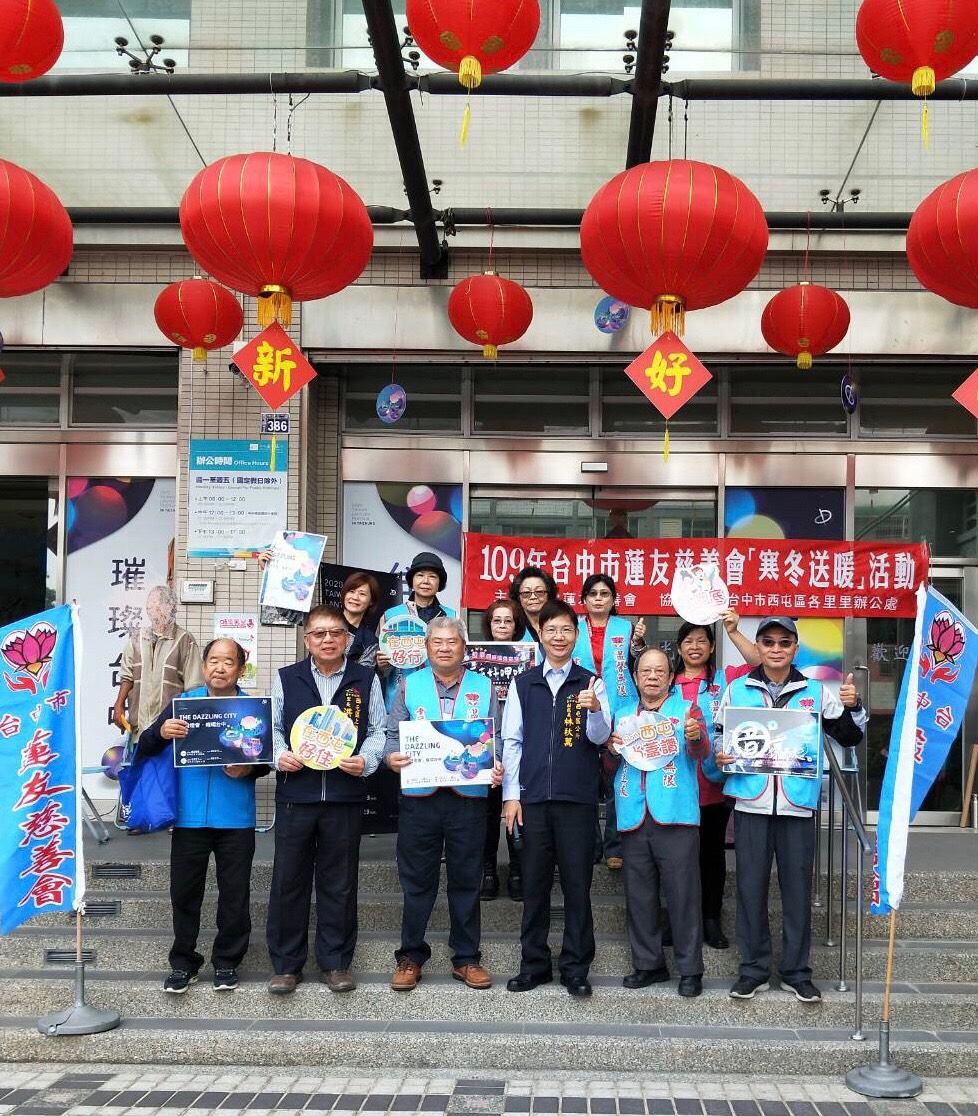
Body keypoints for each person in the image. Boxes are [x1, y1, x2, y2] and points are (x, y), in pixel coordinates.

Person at [707, 617, 866, 1003]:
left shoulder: (816, 691)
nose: (776, 649)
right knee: (750, 889)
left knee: (797, 892)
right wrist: (722, 754)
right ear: (758, 647)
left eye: (784, 642)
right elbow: (719, 734)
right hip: (751, 802)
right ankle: (753, 970)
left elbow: (849, 736)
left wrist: (855, 706)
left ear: (796, 648)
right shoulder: (737, 689)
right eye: (768, 642)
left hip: (797, 805)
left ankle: (796, 972)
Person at [136, 638, 269, 994]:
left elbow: (265, 761)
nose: (220, 668)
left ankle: (227, 962)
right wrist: (161, 732)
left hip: (236, 818)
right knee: (184, 893)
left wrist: (248, 769)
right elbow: (144, 744)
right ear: (204, 665)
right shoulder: (183, 704)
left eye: (228, 662)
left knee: (235, 895)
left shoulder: (251, 709)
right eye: (213, 660)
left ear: (241, 669)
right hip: (188, 817)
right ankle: (183, 963)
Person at [267, 604, 386, 995]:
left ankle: (335, 963)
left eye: (336, 633)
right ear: (307, 640)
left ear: (348, 639)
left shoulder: (365, 678)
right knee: (288, 881)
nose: (328, 640)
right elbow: (273, 727)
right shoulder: (287, 677)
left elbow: (379, 730)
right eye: (319, 633)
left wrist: (366, 760)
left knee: (340, 883)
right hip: (296, 795)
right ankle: (286, 965)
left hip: (344, 795)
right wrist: (279, 755)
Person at [384, 616, 503, 992]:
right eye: (437, 642)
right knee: (416, 881)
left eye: (452, 641)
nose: (445, 648)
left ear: (464, 648)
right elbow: (392, 737)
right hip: (420, 798)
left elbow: (496, 737)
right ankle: (410, 956)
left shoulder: (484, 685)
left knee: (467, 879)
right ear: (427, 648)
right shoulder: (409, 684)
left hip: (468, 798)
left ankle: (466, 958)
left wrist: (497, 764)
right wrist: (391, 758)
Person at [502, 600, 612, 998]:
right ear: (540, 633)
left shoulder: (591, 682)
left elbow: (601, 737)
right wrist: (511, 796)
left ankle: (576, 967)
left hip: (577, 800)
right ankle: (533, 964)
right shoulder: (523, 683)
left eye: (566, 630)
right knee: (534, 885)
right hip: (532, 800)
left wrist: (595, 711)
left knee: (577, 886)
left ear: (576, 635)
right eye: (551, 630)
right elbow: (512, 741)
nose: (559, 637)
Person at [608, 648, 708, 998]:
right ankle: (648, 964)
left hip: (675, 814)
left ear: (670, 677)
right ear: (635, 678)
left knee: (683, 895)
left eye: (659, 671)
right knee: (639, 895)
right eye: (645, 671)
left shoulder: (687, 710)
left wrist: (696, 736)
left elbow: (701, 753)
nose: (652, 677)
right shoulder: (622, 715)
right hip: (633, 814)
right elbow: (608, 768)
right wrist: (611, 750)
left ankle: (690, 969)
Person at [672, 612, 760, 950]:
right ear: (678, 648)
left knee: (711, 855)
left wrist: (733, 632)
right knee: (677, 858)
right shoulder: (667, 683)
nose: (695, 646)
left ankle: (711, 918)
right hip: (675, 784)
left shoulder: (726, 679)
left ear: (711, 647)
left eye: (702, 641)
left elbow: (759, 664)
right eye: (688, 641)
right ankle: (680, 921)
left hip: (712, 784)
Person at [572, 574, 646, 871]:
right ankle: (590, 845)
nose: (599, 598)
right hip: (583, 708)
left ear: (614, 599)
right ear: (584, 600)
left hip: (621, 709)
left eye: (605, 593)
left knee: (618, 779)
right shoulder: (572, 627)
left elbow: (639, 665)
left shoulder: (626, 628)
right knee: (585, 779)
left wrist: (638, 644)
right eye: (593, 594)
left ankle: (615, 845)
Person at [479, 600, 527, 902]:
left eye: (508, 621)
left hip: (520, 742)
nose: (502, 626)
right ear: (489, 625)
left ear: (516, 626)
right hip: (483, 742)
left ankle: (518, 871)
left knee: (516, 807)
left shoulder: (528, 656)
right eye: (497, 620)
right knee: (487, 811)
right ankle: (487, 871)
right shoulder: (472, 656)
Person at [113, 585, 204, 740]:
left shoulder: (185, 640)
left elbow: (194, 687)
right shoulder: (137, 638)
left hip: (170, 732)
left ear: (171, 607)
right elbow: (127, 676)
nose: (151, 608)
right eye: (150, 603)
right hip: (138, 729)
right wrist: (119, 704)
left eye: (157, 603)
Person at [377, 551, 456, 706]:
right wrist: (381, 665)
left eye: (432, 576)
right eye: (420, 575)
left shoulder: (452, 616)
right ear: (411, 581)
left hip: (440, 698)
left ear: (439, 583)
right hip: (400, 698)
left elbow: (461, 658)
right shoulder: (391, 616)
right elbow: (381, 666)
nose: (426, 581)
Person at [340, 570, 382, 669]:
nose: (355, 597)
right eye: (351, 591)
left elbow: (363, 674)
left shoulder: (370, 641)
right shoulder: (325, 621)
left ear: (371, 601)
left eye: (362, 594)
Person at [508, 566, 557, 645]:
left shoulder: (560, 622)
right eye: (526, 593)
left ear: (548, 595)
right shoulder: (512, 626)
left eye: (539, 592)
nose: (533, 597)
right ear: (518, 597)